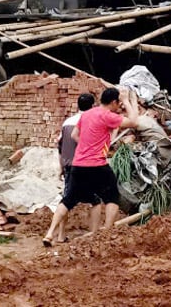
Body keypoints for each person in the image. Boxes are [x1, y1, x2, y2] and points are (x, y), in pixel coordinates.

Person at [42, 87, 138, 246]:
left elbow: (74, 135)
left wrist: (87, 145)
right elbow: (134, 122)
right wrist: (128, 100)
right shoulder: (108, 115)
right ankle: (106, 233)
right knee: (112, 196)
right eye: (118, 103)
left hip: (78, 164)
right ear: (114, 102)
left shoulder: (86, 114)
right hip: (97, 164)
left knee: (68, 200)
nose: (118, 106)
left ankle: (50, 233)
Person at [53, 92, 95, 243]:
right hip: (85, 166)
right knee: (94, 201)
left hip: (69, 166)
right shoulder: (90, 121)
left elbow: (60, 146)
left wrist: (61, 167)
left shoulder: (67, 122)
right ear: (92, 106)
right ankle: (93, 234)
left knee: (66, 199)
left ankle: (60, 234)